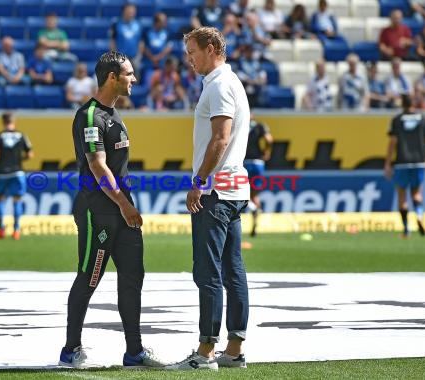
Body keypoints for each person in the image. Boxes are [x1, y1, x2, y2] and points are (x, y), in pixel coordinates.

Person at [59, 51, 165, 369]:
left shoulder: (115, 115)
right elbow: (97, 166)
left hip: (122, 210)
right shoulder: (89, 116)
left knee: (133, 276)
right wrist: (124, 205)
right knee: (90, 277)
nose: (134, 79)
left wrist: (126, 207)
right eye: (129, 74)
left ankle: (135, 352)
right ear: (111, 77)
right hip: (99, 210)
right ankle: (71, 349)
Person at [166, 26, 250, 371]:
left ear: (212, 48)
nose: (189, 60)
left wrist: (199, 181)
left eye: (193, 52)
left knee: (208, 272)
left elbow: (220, 138)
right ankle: (234, 349)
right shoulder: (231, 82)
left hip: (215, 192)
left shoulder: (219, 84)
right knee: (234, 272)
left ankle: (205, 352)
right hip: (234, 188)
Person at [384, 94, 425, 238]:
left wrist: (387, 162)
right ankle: (419, 216)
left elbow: (392, 143)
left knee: (402, 196)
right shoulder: (423, 119)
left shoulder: (397, 120)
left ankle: (406, 230)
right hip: (419, 161)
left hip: (402, 162)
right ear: (414, 103)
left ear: (402, 104)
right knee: (417, 193)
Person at [0, 112, 34, 241]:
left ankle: (1, 230)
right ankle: (16, 230)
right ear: (14, 121)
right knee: (17, 200)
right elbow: (30, 154)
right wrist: (19, 159)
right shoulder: (21, 135)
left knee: (0, 199)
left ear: (3, 122)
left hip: (2, 172)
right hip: (17, 172)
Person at [244, 118, 273, 237]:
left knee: (238, 192)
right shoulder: (260, 126)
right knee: (255, 195)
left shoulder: (239, 124)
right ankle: (255, 223)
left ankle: (251, 208)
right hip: (258, 163)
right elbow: (269, 140)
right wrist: (266, 152)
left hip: (244, 163)